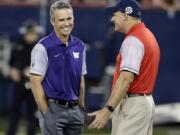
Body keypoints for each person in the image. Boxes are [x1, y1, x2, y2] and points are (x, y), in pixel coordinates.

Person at [88, 0, 160, 135]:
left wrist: (107, 110)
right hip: (142, 102)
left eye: (115, 14)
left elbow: (126, 79)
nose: (112, 18)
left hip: (133, 105)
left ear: (124, 15)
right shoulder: (147, 35)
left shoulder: (133, 40)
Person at [30, 1, 87, 135]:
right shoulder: (42, 47)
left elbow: (81, 80)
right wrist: (46, 113)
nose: (66, 23)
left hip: (75, 110)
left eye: (69, 18)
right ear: (53, 21)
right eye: (61, 20)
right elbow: (35, 82)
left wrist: (81, 108)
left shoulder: (80, 46)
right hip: (53, 108)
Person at [6, 20, 40, 135]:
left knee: (32, 113)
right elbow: (11, 62)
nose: (31, 35)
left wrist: (33, 71)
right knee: (14, 111)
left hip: (34, 85)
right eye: (29, 33)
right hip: (18, 83)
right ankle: (11, 132)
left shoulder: (40, 48)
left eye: (33, 33)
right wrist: (12, 70)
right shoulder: (17, 44)